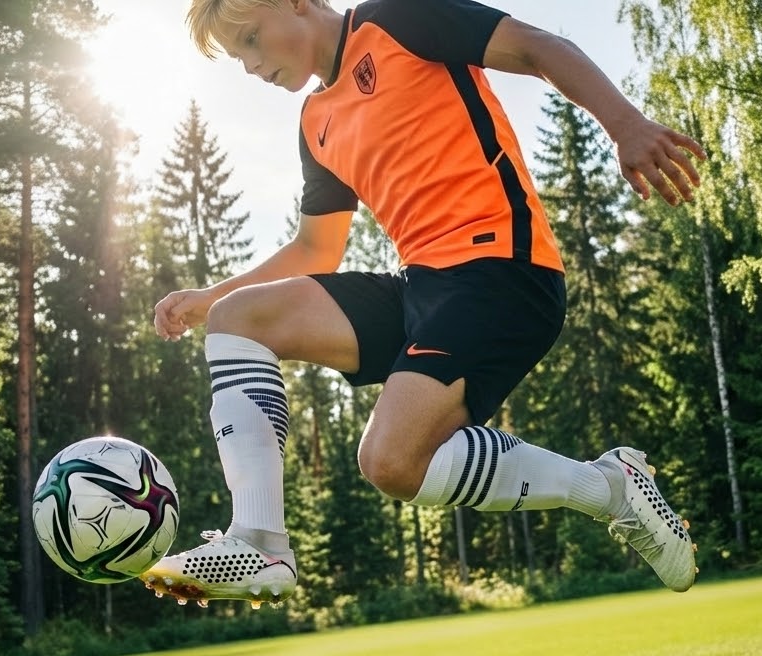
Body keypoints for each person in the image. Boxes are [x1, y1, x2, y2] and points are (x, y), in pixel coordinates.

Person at [144, 0, 705, 609]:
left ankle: (609, 489)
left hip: (504, 271)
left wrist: (624, 124)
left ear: (296, 3)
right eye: (239, 56)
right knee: (238, 319)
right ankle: (259, 539)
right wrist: (210, 298)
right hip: (422, 286)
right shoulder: (315, 122)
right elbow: (316, 248)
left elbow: (539, 48)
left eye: (252, 38)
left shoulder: (398, 19)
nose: (252, 65)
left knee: (389, 462)